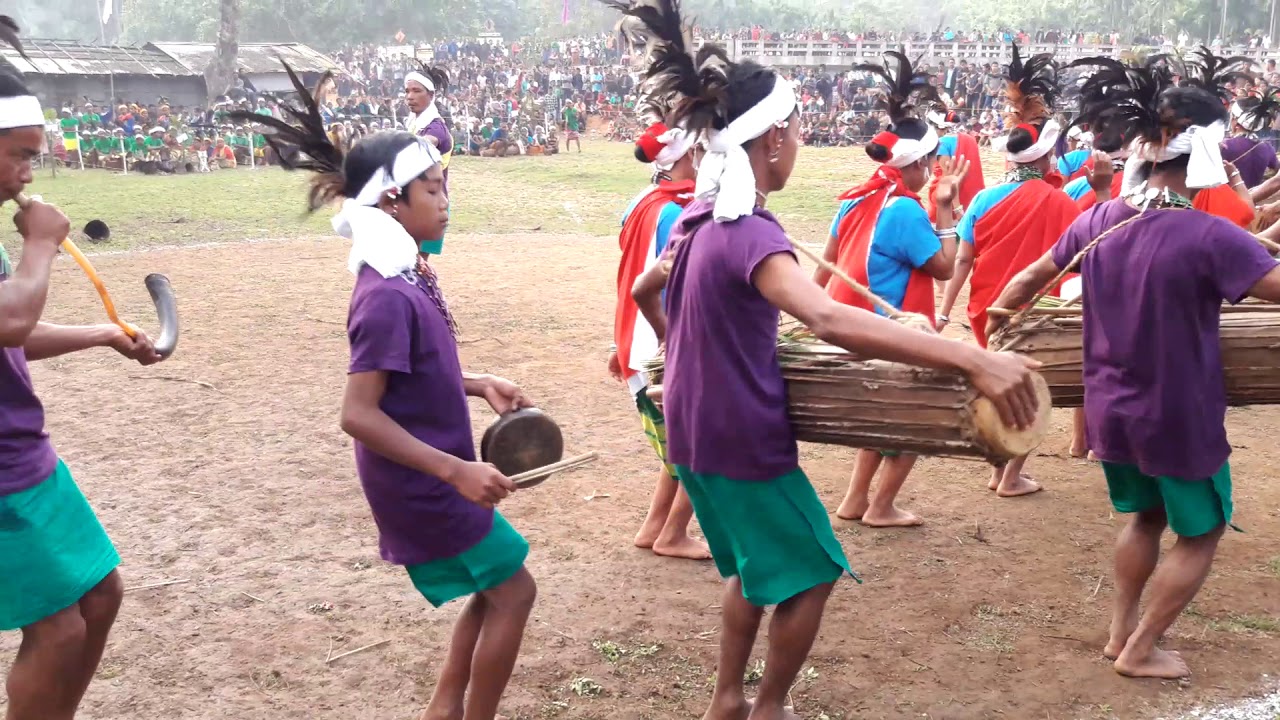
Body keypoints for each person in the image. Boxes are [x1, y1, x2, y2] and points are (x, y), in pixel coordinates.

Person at [613, 3, 1043, 717]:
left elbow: (644, 287)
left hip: (691, 428)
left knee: (754, 570)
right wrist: (968, 360)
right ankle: (770, 705)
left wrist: (682, 351)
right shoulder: (745, 230)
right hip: (741, 438)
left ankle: (728, 700)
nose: (801, 141)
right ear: (773, 138)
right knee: (812, 572)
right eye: (799, 129)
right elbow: (822, 315)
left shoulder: (695, 218)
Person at [231, 63, 537, 720]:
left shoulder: (410, 274)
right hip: (423, 478)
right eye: (433, 188)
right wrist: (456, 470)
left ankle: (446, 706)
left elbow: (418, 369)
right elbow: (358, 414)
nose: (446, 199)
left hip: (439, 467)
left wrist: (477, 382)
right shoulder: (385, 296)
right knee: (515, 591)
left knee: (494, 585)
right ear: (393, 200)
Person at [987, 63, 1280, 681]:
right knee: (1201, 532)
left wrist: (997, 345)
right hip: (1180, 413)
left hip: (1109, 407)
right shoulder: (1207, 235)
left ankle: (1120, 629)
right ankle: (1141, 646)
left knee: (1143, 517)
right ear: (1204, 150)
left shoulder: (1096, 220)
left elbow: (1020, 284)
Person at [0, 18, 163, 719]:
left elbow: (12, 338)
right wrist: (40, 246)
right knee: (60, 629)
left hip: (25, 461)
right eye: (19, 156)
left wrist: (103, 333)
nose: (30, 174)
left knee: (103, 595)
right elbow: (8, 320)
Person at [818, 51, 968, 528]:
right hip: (892, 333)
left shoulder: (857, 198)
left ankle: (856, 500)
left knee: (880, 417)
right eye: (929, 164)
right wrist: (944, 208)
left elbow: (824, 268)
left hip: (854, 330)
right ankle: (880, 506)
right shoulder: (903, 210)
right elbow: (944, 269)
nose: (932, 171)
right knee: (915, 418)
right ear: (918, 164)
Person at [939, 45, 1082, 498]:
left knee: (999, 387)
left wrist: (947, 309)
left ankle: (996, 467)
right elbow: (1075, 259)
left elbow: (962, 259)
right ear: (1043, 159)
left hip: (987, 307)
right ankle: (1010, 475)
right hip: (1039, 311)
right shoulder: (1062, 201)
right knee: (1033, 390)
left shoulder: (983, 200)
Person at [610, 120, 709, 561]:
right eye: (703, 152)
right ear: (688, 157)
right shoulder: (676, 212)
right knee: (702, 446)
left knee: (677, 446)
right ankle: (673, 534)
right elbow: (676, 286)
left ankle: (656, 527)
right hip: (665, 345)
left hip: (639, 341)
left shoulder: (643, 202)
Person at [405, 65, 454, 256]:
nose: (410, 96)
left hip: (431, 205)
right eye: (407, 91)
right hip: (414, 201)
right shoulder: (415, 124)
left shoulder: (435, 128)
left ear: (431, 95)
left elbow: (421, 147)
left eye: (417, 91)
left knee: (416, 264)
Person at [925, 104, 985, 222]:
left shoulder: (942, 143)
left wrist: (957, 209)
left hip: (949, 201)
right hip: (973, 197)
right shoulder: (969, 139)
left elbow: (949, 180)